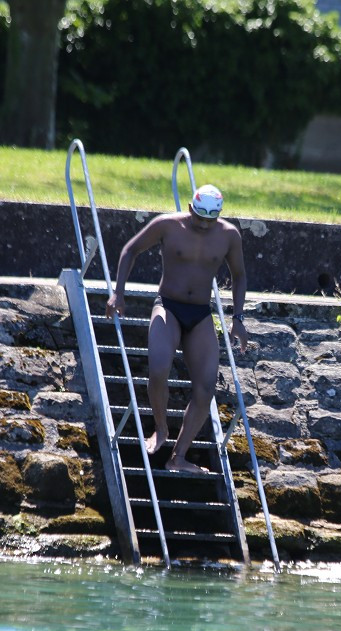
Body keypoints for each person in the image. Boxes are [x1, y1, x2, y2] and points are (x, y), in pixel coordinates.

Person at [105, 184, 248, 474]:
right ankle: (160, 427)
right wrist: (118, 293)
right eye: (199, 218)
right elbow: (130, 250)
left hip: (200, 314)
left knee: (206, 387)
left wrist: (238, 318)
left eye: (210, 220)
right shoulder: (167, 225)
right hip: (168, 306)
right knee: (158, 370)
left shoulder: (229, 235)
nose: (204, 225)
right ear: (190, 207)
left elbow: (239, 274)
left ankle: (178, 457)